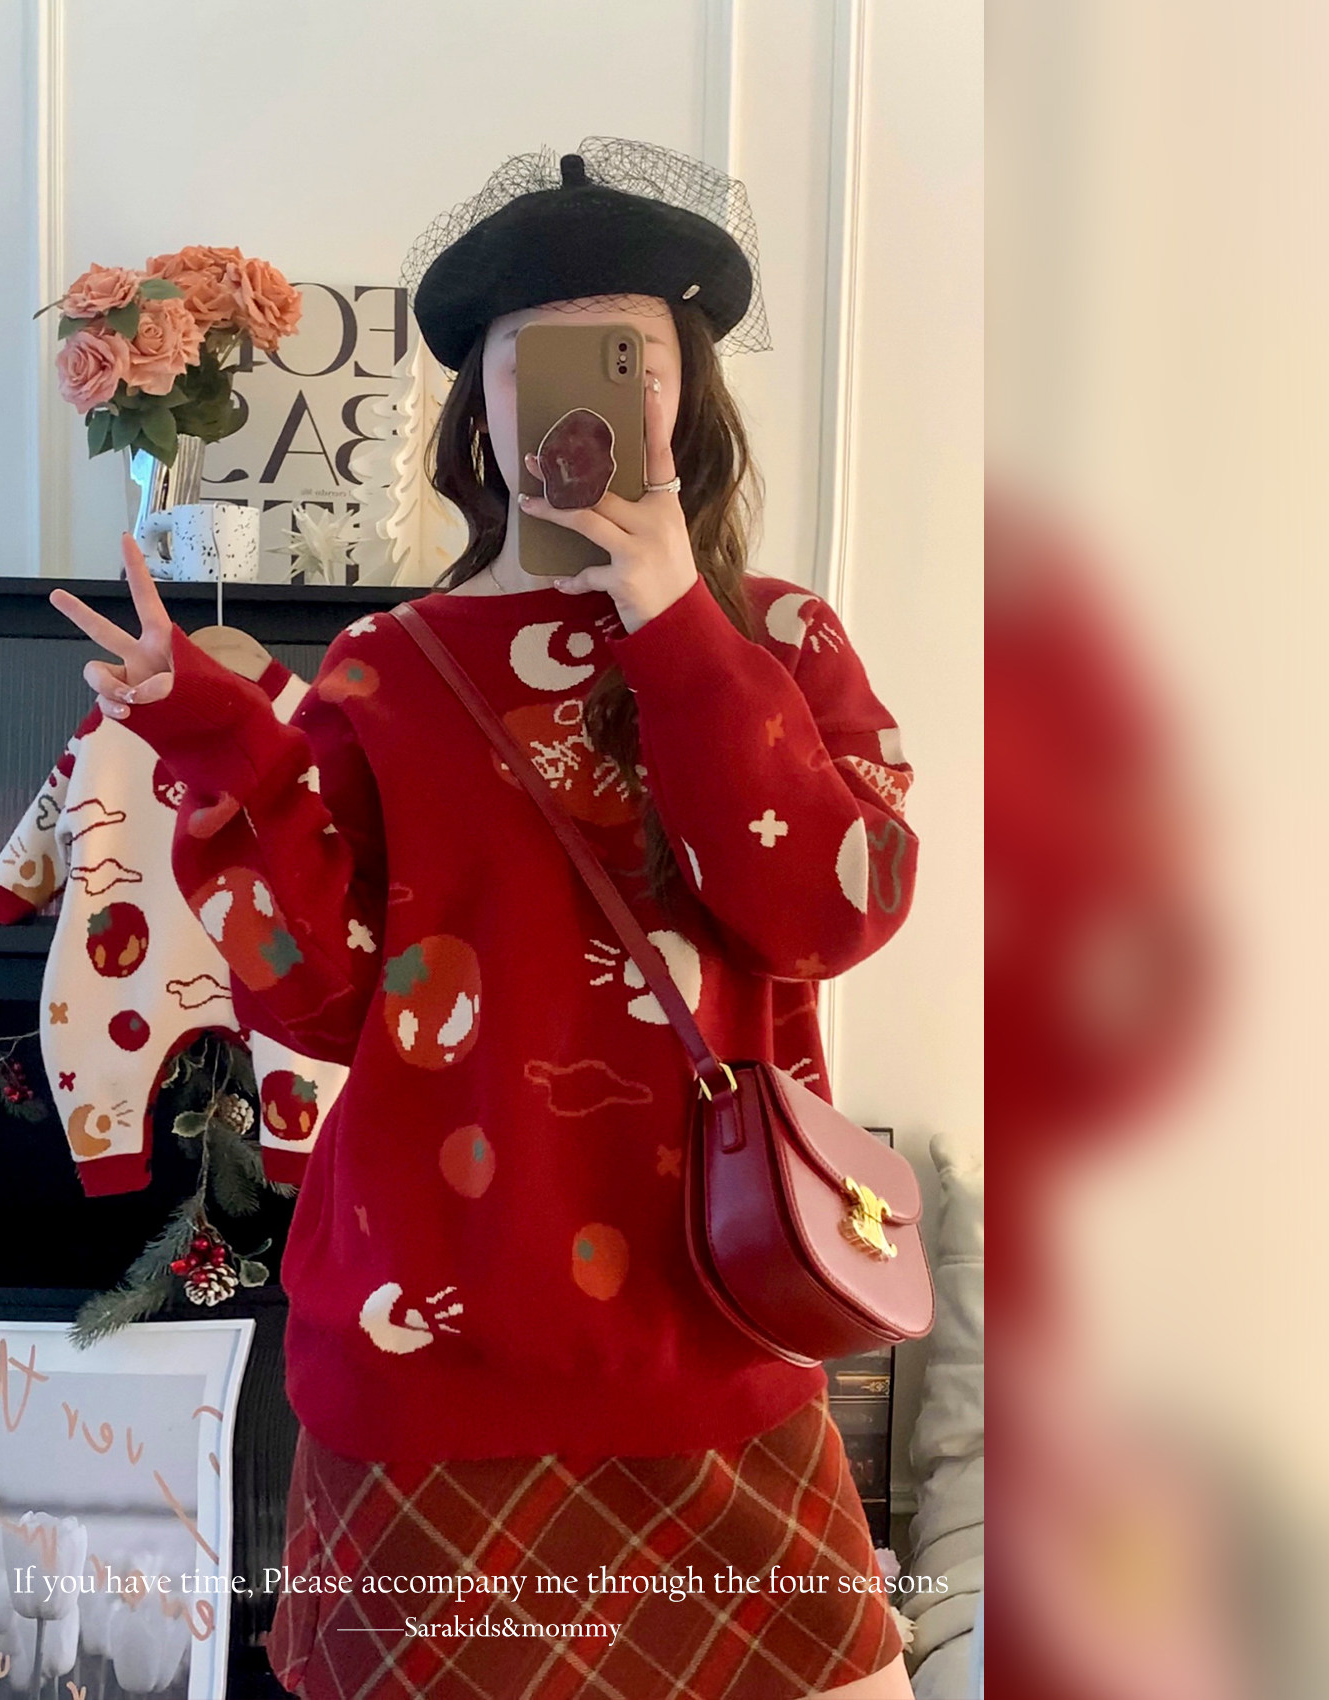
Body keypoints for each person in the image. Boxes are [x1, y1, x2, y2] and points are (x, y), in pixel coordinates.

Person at [53, 138, 919, 1700]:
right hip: (429, 1358)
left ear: (688, 394)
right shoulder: (391, 664)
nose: (580, 394)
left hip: (714, 1334)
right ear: (479, 410)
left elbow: (825, 912)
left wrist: (674, 621)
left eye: (627, 354)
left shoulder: (783, 639)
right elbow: (314, 998)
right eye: (533, 359)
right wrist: (224, 741)